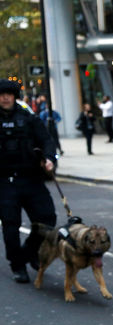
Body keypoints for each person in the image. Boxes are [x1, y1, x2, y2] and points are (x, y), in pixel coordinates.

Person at [0, 79, 57, 283]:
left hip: (31, 179)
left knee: (47, 219)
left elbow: (47, 141)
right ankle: (18, 266)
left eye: (9, 94)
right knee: (10, 226)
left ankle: (29, 252)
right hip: (5, 183)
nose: (5, 97)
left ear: (15, 96)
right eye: (1, 94)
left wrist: (49, 158)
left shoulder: (28, 118)